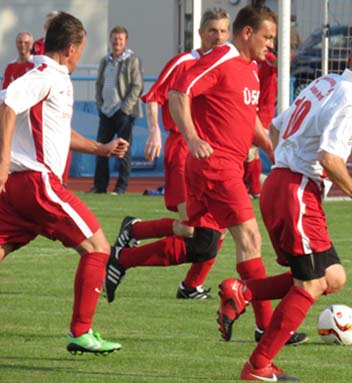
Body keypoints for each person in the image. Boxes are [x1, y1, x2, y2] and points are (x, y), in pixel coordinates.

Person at [104, 5, 306, 346]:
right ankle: (266, 328)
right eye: (267, 37)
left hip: (225, 167)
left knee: (200, 243)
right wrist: (193, 137)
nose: (270, 45)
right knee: (249, 238)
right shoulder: (219, 60)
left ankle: (124, 257)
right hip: (215, 166)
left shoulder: (251, 69)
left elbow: (248, 121)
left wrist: (274, 148)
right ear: (247, 33)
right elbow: (176, 93)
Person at [217, 28, 352, 381]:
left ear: (347, 59)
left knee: (332, 277)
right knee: (309, 285)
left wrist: (287, 162)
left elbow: (277, 127)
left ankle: (244, 291)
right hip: (297, 191)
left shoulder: (325, 82)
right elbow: (328, 157)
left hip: (283, 185)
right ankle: (258, 366)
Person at [0, 12, 129, 355]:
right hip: (37, 183)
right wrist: (1, 162)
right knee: (98, 248)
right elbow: (9, 104)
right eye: (81, 48)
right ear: (71, 48)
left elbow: (58, 131)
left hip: (20, 188)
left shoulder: (50, 77)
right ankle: (81, 332)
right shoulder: (46, 74)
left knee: (4, 247)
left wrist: (101, 149)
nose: (81, 55)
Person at [124, 7, 230, 300]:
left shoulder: (227, 64)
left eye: (223, 31)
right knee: (193, 231)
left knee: (217, 228)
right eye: (212, 31)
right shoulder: (185, 61)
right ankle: (131, 240)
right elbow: (155, 95)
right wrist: (155, 131)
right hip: (183, 151)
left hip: (210, 156)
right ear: (200, 33)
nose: (218, 37)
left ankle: (190, 285)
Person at [88, 26, 143, 195]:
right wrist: (100, 104)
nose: (117, 42)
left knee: (122, 151)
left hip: (123, 112)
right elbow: (99, 84)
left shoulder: (132, 60)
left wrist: (125, 108)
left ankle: (121, 187)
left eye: (120, 39)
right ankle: (100, 186)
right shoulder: (105, 60)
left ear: (125, 41)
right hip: (106, 111)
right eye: (114, 38)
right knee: (101, 149)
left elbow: (137, 85)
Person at [243, 50, 277, 199]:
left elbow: (279, 62)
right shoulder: (249, 61)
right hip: (251, 108)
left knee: (250, 149)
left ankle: (253, 187)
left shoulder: (267, 58)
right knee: (250, 151)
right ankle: (253, 186)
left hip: (263, 112)